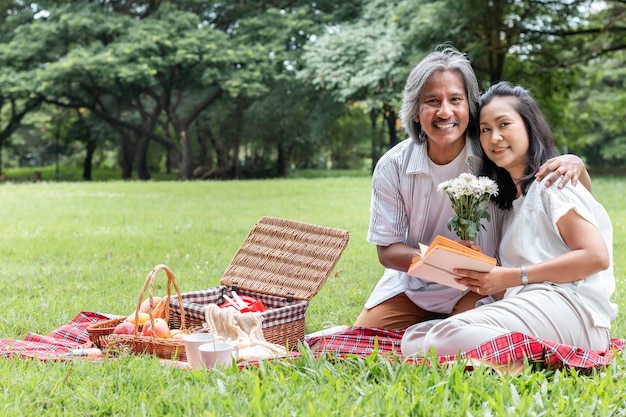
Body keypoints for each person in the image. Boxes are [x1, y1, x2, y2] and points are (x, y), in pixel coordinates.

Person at [354, 45, 591, 330]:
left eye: (455, 99)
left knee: (451, 342)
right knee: (362, 338)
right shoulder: (392, 166)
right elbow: (388, 251)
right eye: (432, 101)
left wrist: (576, 162)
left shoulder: (493, 151)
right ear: (416, 111)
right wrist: (441, 259)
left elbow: (545, 176)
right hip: (414, 286)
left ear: (470, 107)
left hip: (481, 285)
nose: (445, 112)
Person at [401, 82, 617, 356]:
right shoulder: (507, 205)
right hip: (532, 305)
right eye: (485, 129)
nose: (494, 138)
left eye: (504, 125)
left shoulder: (552, 184)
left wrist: (511, 276)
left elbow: (595, 257)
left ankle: (545, 357)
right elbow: (512, 285)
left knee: (442, 337)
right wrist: (481, 273)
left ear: (529, 127)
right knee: (415, 337)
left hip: (573, 309)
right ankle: (520, 357)